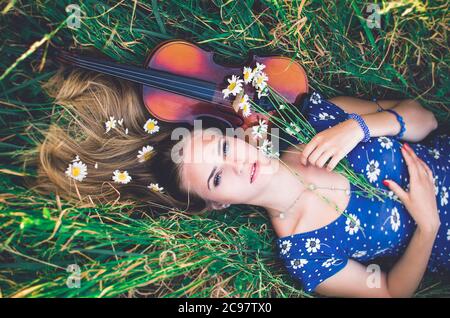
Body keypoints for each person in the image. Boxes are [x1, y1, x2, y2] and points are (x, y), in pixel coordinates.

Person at [34, 68, 449, 297]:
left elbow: (425, 118)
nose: (236, 166)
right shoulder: (306, 252)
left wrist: (359, 128)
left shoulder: (316, 124)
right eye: (216, 177)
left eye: (224, 148)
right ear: (217, 204)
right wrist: (427, 227)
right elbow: (391, 293)